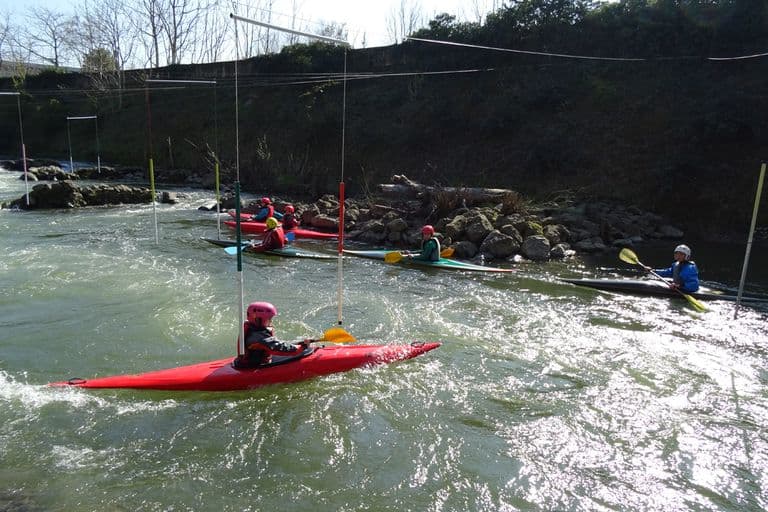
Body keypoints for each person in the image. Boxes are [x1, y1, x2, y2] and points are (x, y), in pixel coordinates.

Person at [235, 302, 309, 368]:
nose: (271, 321)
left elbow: (274, 343)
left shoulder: (252, 329)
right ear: (258, 319)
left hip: (247, 362)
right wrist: (302, 348)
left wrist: (298, 343)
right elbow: (278, 347)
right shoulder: (259, 337)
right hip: (253, 366)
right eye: (269, 318)